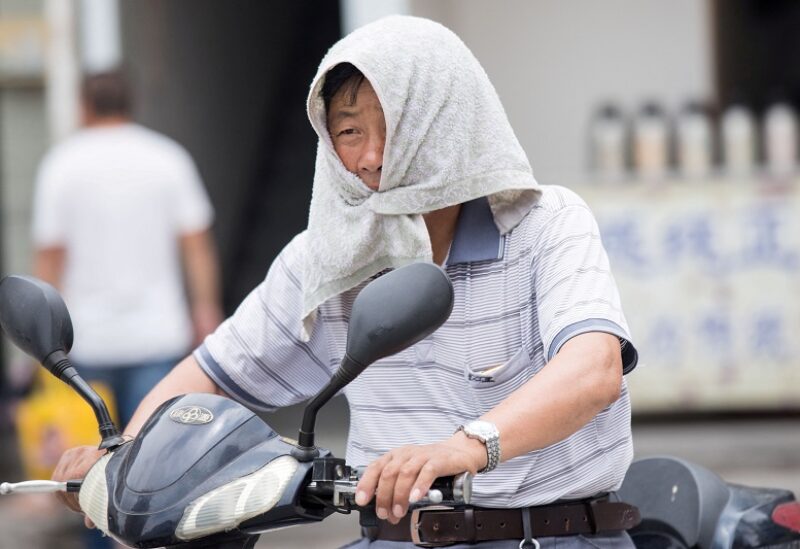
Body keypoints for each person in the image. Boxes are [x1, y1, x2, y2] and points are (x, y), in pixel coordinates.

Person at [53, 18, 639, 548]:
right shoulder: (325, 261)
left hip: (549, 536)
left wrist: (464, 447)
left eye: (394, 126)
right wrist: (124, 461)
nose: (371, 157)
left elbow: (593, 372)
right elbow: (212, 375)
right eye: (349, 132)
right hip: (386, 540)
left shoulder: (545, 224)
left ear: (448, 119)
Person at [34, 71, 223, 548]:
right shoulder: (167, 158)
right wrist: (206, 310)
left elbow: (49, 260)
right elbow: (197, 245)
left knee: (88, 478)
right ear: (129, 103)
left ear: (83, 106)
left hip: (83, 345)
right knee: (154, 472)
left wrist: (37, 342)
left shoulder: (62, 165)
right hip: (158, 339)